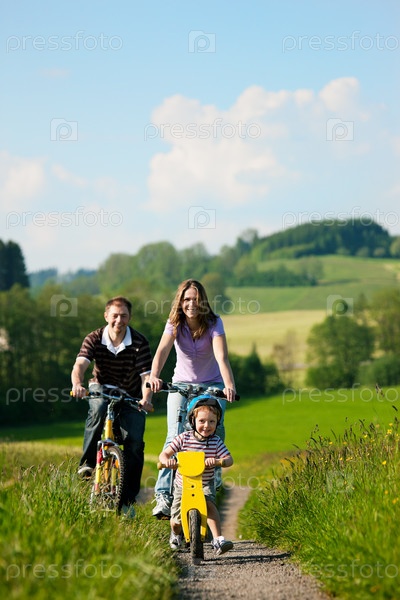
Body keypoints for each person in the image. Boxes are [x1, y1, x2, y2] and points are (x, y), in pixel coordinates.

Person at [149, 278, 236, 519]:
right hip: (181, 384)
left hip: (212, 384)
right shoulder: (174, 323)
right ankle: (163, 495)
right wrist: (154, 376)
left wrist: (229, 385)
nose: (191, 304)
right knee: (174, 435)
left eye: (196, 300)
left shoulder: (214, 322)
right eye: (186, 299)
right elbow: (162, 351)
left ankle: (212, 481)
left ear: (203, 301)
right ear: (180, 301)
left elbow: (221, 356)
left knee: (213, 431)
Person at [71, 296, 153, 516]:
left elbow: (146, 376)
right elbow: (80, 365)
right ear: (106, 316)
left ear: (129, 317)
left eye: (124, 316)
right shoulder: (94, 338)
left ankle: (128, 500)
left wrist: (146, 398)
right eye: (115, 315)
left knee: (134, 442)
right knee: (98, 409)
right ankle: (87, 464)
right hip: (101, 388)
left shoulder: (139, 342)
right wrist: (77, 384)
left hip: (130, 395)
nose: (119, 320)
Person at [159, 396, 234, 555]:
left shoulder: (216, 442)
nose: (207, 425)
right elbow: (164, 454)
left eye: (212, 421)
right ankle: (176, 534)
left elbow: (229, 460)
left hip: (205, 484)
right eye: (202, 421)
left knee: (209, 505)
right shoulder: (183, 438)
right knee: (176, 521)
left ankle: (218, 540)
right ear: (192, 420)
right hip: (183, 485)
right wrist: (167, 461)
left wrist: (218, 461)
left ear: (217, 422)